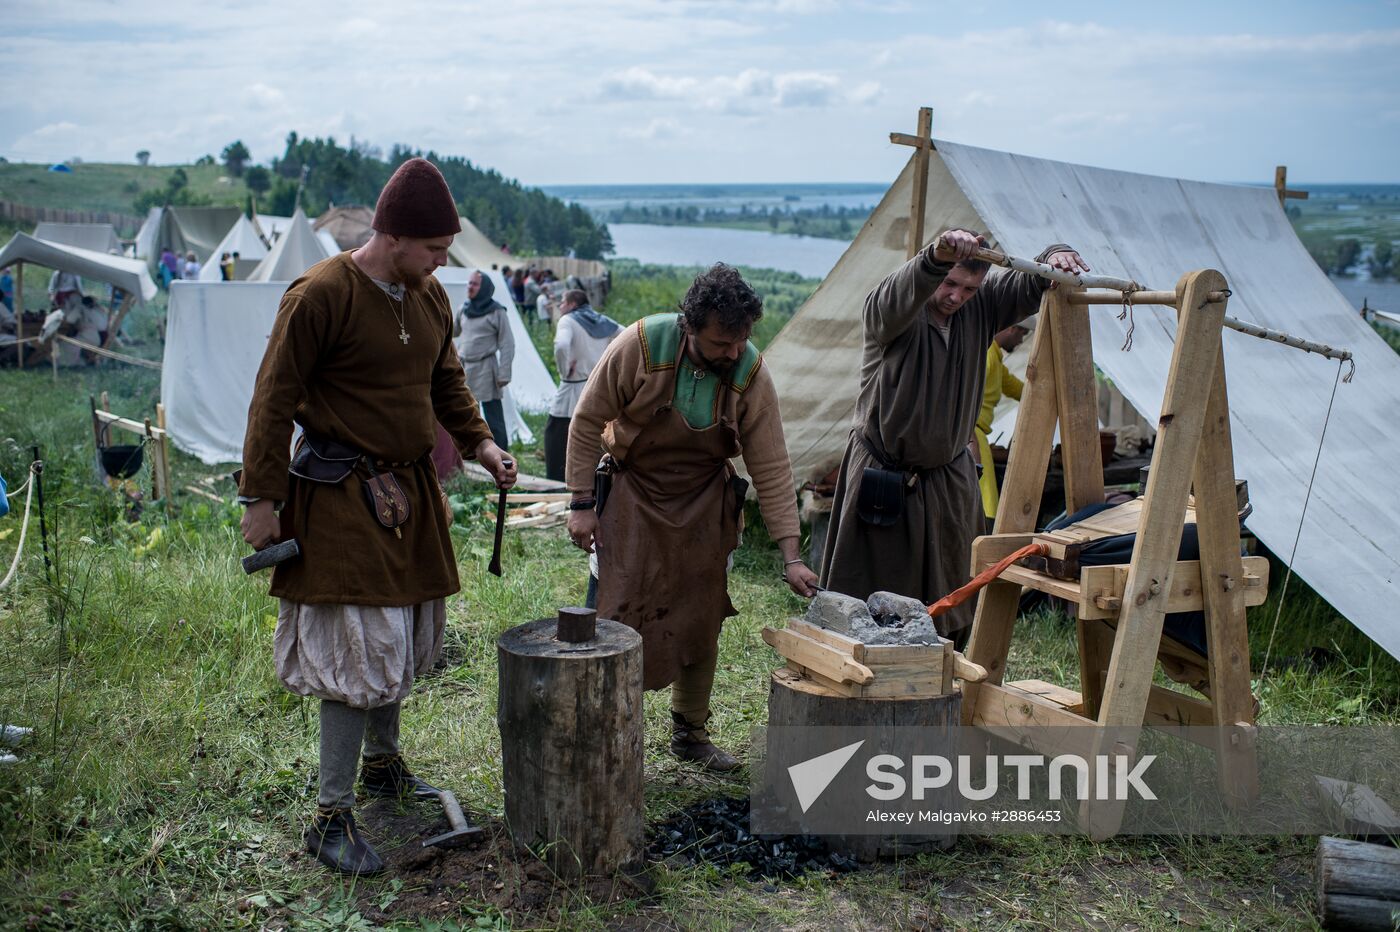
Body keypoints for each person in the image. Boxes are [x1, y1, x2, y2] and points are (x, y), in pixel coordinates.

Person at [238, 157, 517, 876]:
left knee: (400, 630)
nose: (443, 260)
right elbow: (273, 397)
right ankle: (330, 817)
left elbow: (446, 380)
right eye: (433, 248)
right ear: (392, 236)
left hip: (408, 493)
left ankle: (383, 768)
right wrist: (260, 500)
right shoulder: (320, 295)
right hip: (336, 493)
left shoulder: (426, 298)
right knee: (356, 651)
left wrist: (483, 443)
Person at [565, 263, 820, 771]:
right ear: (690, 325)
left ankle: (690, 733)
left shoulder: (749, 371)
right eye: (721, 342)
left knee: (701, 618)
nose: (733, 352)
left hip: (705, 504)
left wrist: (791, 555)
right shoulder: (640, 346)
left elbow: (771, 464)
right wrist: (580, 504)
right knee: (613, 615)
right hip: (632, 496)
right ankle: (604, 738)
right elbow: (587, 420)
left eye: (741, 339)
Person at [820, 229, 1088, 644]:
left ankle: (945, 673)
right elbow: (895, 295)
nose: (956, 296)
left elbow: (1023, 283)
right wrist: (936, 258)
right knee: (872, 602)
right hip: (884, 477)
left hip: (948, 479)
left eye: (968, 288)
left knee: (952, 594)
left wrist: (1055, 254)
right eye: (949, 283)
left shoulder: (979, 310)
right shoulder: (894, 314)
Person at [545, 289, 620, 481]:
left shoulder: (568, 320)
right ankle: (591, 481)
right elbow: (628, 336)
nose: (560, 306)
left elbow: (561, 345)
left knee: (557, 436)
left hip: (573, 386)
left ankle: (559, 481)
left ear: (571, 304)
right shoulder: (604, 322)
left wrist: (563, 370)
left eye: (562, 302)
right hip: (598, 390)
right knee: (592, 437)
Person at [975, 319, 1033, 526]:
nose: (1021, 340)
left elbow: (1017, 389)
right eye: (1022, 333)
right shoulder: (987, 356)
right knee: (986, 501)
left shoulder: (995, 359)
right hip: (972, 434)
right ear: (1012, 328)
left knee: (984, 496)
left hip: (977, 434)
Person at [454, 271, 515, 452]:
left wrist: (504, 373)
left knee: (493, 415)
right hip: (465, 367)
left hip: (486, 368)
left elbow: (507, 344)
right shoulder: (463, 309)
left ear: (484, 288)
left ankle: (501, 453)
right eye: (469, 283)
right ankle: (469, 452)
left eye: (474, 284)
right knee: (468, 412)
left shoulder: (497, 312)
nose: (469, 287)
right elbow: (453, 331)